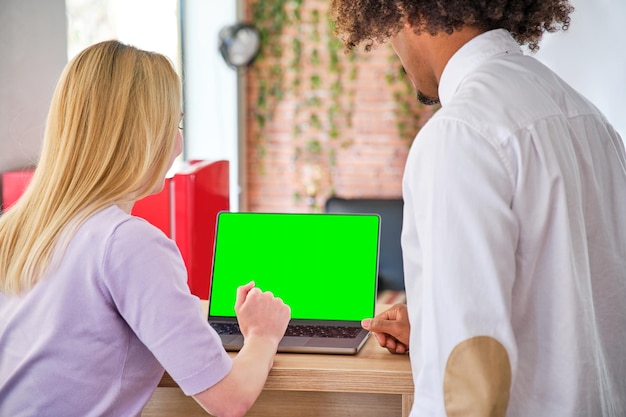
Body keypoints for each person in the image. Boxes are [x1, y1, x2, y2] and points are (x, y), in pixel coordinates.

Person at [330, 1, 626, 416]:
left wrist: (454, 343)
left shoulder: (460, 133)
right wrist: (438, 327)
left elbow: (469, 394)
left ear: (402, 10)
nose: (394, 52)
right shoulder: (591, 121)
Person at [0, 40, 291, 417]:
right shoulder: (127, 242)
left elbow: (82, 325)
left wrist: (204, 310)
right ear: (143, 135)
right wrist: (263, 334)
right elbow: (229, 399)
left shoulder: (16, 229)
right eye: (174, 124)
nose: (178, 144)